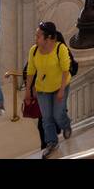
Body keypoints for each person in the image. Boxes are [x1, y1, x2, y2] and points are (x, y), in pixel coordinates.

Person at [25, 21, 73, 157]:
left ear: (49, 38)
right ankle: (52, 142)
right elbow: (30, 71)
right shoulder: (33, 51)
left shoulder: (60, 49)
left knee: (58, 114)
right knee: (46, 118)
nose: (36, 38)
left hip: (60, 87)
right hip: (43, 89)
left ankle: (66, 124)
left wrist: (62, 90)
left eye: (38, 36)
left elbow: (65, 70)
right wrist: (28, 90)